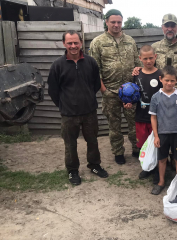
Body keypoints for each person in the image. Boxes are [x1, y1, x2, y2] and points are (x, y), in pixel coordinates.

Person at [48, 30, 108, 186]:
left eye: (76, 42)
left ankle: (94, 165)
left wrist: (87, 98)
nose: (73, 46)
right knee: (70, 144)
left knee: (93, 141)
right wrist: (64, 105)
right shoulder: (57, 65)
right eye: (70, 43)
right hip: (68, 114)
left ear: (81, 43)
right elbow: (53, 90)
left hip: (89, 112)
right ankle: (72, 170)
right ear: (64, 44)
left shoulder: (91, 62)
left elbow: (96, 84)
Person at [89, 9, 141, 165]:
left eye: (119, 22)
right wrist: (103, 90)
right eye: (113, 22)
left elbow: (138, 64)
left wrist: (137, 73)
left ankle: (137, 148)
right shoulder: (97, 42)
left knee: (134, 123)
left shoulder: (130, 41)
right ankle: (118, 152)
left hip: (131, 92)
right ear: (106, 22)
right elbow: (94, 70)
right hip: (111, 91)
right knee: (114, 125)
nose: (116, 25)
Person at [149, 66, 177, 195]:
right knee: (162, 159)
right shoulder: (155, 97)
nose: (169, 83)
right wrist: (156, 136)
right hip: (162, 134)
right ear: (161, 79)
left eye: (172, 81)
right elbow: (153, 117)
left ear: (176, 80)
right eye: (166, 80)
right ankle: (161, 182)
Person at [125, 45, 162, 182]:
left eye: (151, 58)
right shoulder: (136, 75)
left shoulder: (161, 75)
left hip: (157, 119)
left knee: (157, 144)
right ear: (140, 58)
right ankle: (147, 168)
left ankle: (159, 169)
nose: (148, 61)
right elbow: (133, 95)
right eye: (145, 58)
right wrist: (129, 104)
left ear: (155, 57)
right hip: (140, 116)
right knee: (143, 145)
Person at [133, 14, 177, 94]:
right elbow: (147, 67)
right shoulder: (155, 47)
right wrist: (138, 69)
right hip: (159, 92)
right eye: (167, 26)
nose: (169, 29)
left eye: (172, 26)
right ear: (162, 27)